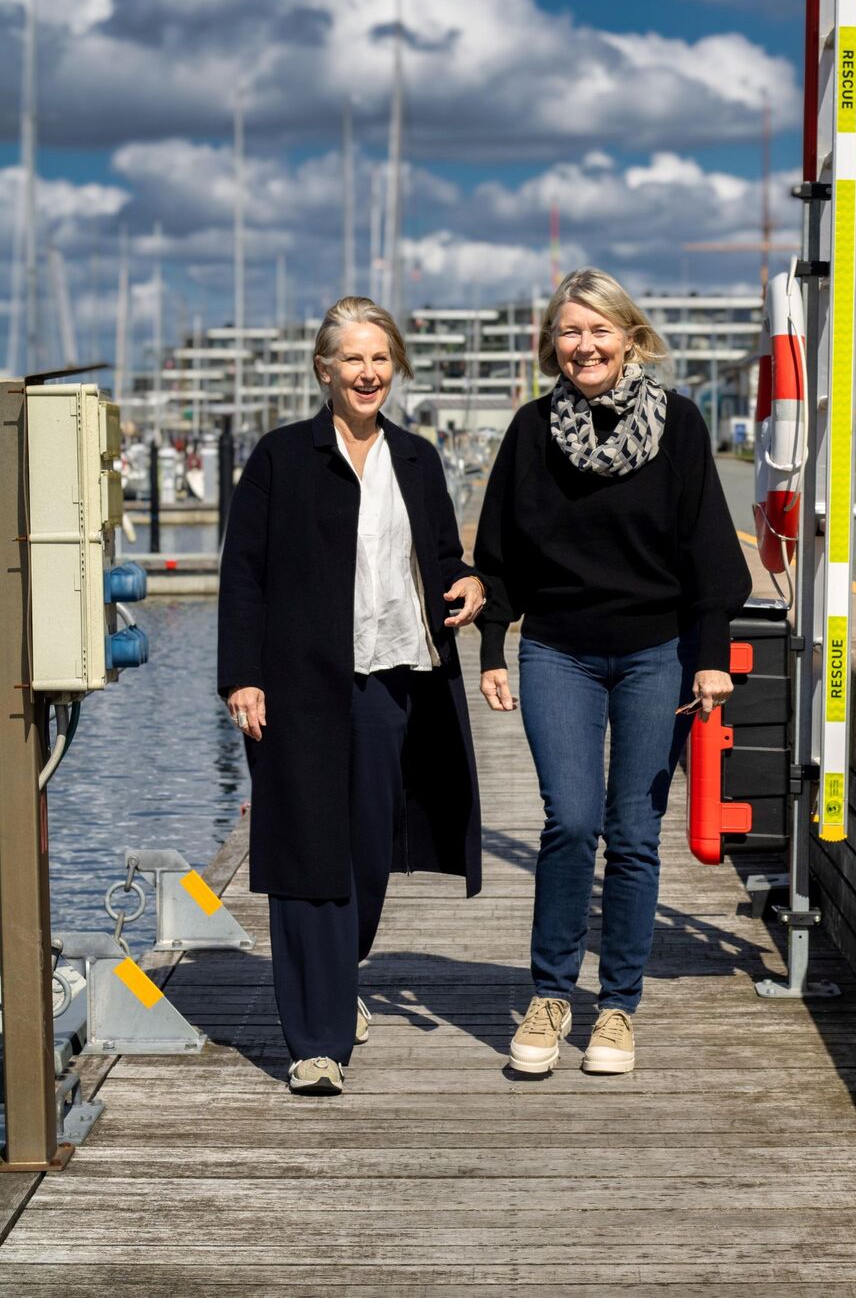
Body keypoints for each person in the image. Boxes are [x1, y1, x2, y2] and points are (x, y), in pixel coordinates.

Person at [475, 269, 751, 1077]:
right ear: (550, 344)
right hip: (557, 649)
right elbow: (500, 554)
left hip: (655, 654)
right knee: (570, 821)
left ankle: (619, 1006)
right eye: (570, 331)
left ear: (629, 337)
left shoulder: (681, 426)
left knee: (633, 832)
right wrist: (493, 646)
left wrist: (709, 655)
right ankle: (551, 995)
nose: (584, 346)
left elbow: (709, 556)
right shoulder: (531, 431)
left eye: (600, 330)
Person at [218, 296, 486, 1095]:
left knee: (368, 850)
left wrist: (470, 582)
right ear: (323, 369)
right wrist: (241, 674)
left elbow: (444, 555)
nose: (368, 372)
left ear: (393, 367)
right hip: (295, 687)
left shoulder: (416, 457)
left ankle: (340, 979)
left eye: (380, 358)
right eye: (352, 359)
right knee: (308, 857)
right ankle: (316, 1042)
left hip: (392, 679)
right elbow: (245, 574)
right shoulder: (280, 457)